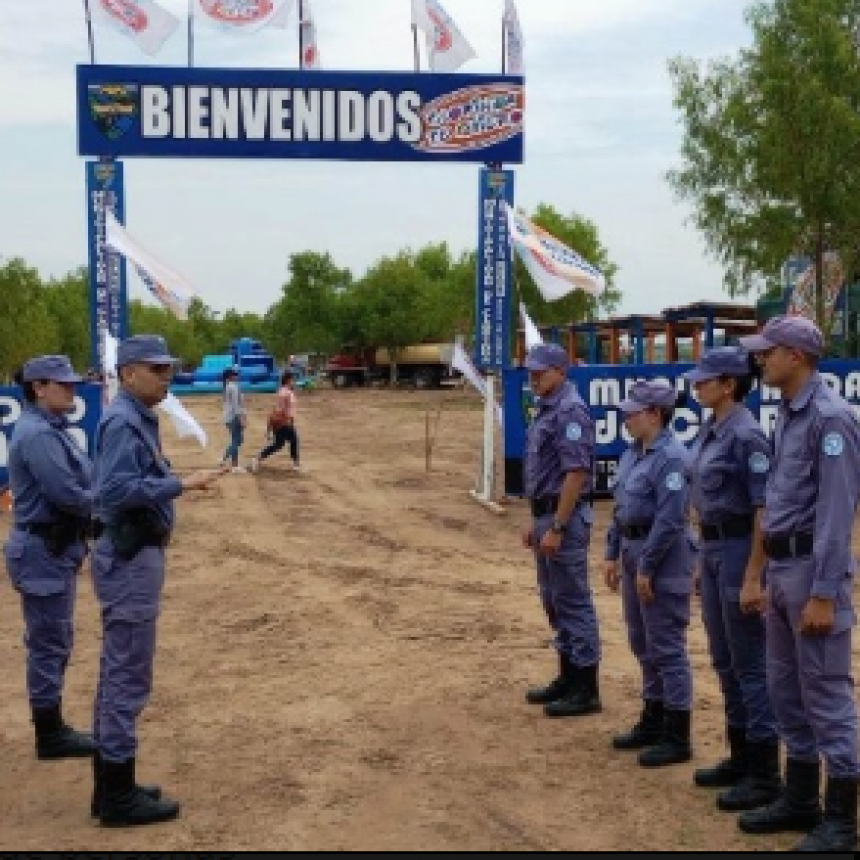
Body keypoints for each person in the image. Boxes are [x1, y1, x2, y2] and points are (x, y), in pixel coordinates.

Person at [90, 335, 228, 827]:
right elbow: (117, 489)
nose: (167, 377)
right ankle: (117, 798)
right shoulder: (124, 421)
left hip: (133, 556)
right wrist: (181, 484)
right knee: (127, 675)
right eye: (157, 369)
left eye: (169, 368)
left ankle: (111, 786)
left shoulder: (135, 416)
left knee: (117, 674)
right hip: (129, 558)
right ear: (128, 373)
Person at [737, 316, 859, 852]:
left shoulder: (832, 420)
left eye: (770, 351)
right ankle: (802, 798)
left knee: (827, 695)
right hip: (784, 571)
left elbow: (836, 513)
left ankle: (841, 821)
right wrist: (761, 572)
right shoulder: (788, 416)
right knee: (787, 692)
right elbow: (777, 503)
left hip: (813, 571)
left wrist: (825, 593)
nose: (762, 359)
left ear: (798, 356)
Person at [683, 347, 781, 811]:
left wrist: (754, 575)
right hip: (715, 546)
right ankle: (740, 756)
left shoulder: (747, 436)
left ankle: (764, 773)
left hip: (742, 548)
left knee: (750, 665)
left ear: (729, 385)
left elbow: (763, 509)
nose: (697, 386)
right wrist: (703, 557)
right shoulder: (712, 429)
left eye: (705, 380)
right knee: (724, 660)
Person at [2, 355, 96, 761]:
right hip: (43, 548)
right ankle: (49, 733)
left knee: (55, 638)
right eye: (63, 384)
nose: (72, 389)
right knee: (48, 642)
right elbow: (69, 494)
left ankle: (51, 725)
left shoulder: (49, 430)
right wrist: (111, 503)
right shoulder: (39, 434)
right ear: (38, 387)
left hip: (51, 548)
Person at [604, 380, 694, 768]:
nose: (625, 417)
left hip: (662, 561)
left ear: (655, 414)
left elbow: (670, 518)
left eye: (633, 411)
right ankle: (653, 717)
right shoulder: (631, 455)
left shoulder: (671, 457)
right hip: (631, 552)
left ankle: (677, 733)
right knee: (643, 642)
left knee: (667, 646)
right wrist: (611, 553)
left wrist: (647, 566)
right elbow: (620, 507)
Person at [521, 343, 601, 719]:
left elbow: (576, 472)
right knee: (554, 600)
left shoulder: (569, 410)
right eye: (532, 371)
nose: (534, 377)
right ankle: (567, 675)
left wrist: (556, 524)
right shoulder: (548, 408)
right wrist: (535, 520)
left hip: (562, 519)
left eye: (541, 371)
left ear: (560, 371)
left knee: (572, 600)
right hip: (547, 516)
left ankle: (585, 687)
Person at [249, 369, 300, 474]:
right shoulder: (284, 392)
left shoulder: (286, 391)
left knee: (292, 441)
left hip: (286, 421)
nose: (293, 382)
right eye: (292, 380)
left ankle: (296, 463)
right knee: (279, 444)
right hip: (283, 422)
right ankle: (257, 458)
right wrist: (286, 419)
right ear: (288, 380)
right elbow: (281, 408)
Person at [219, 366, 246, 473]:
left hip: (229, 417)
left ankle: (229, 461)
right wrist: (241, 418)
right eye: (235, 374)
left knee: (236, 439)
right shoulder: (233, 387)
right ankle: (230, 462)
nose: (237, 375)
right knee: (237, 440)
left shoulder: (228, 386)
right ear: (231, 376)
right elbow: (236, 405)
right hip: (233, 417)